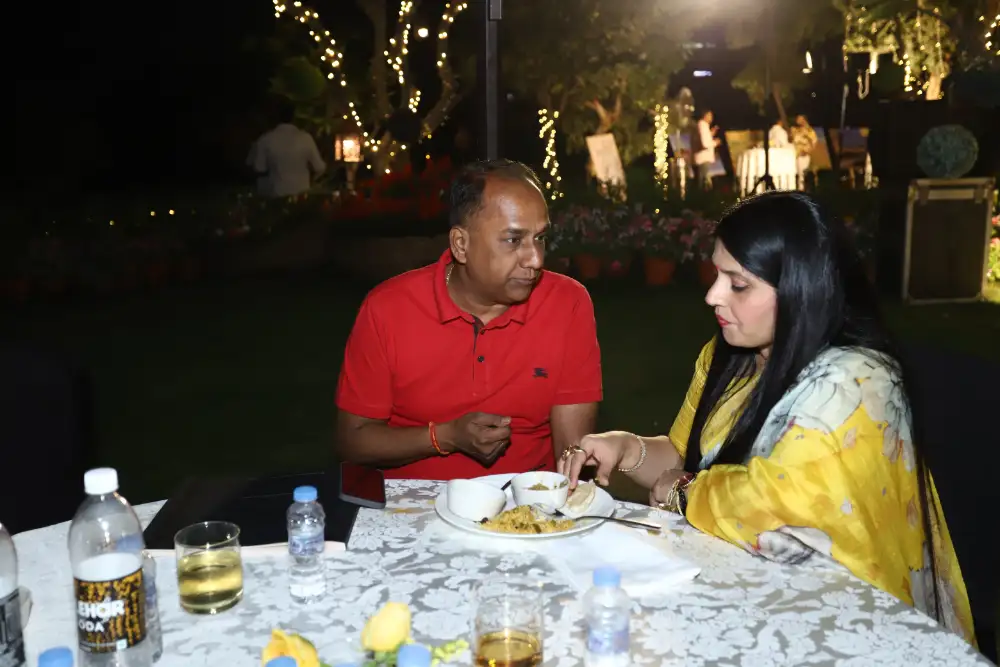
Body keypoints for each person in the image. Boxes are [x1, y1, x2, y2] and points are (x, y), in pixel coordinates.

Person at [560, 191, 974, 643]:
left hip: (846, 617)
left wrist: (686, 491)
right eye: (717, 275)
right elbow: (684, 455)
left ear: (800, 290)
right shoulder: (729, 356)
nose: (712, 295)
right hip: (742, 590)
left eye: (738, 284)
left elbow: (776, 506)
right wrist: (626, 448)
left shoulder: (856, 382)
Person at [336, 159, 603, 480]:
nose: (535, 259)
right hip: (413, 501)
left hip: (526, 501)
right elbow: (352, 441)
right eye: (513, 240)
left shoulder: (567, 303)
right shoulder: (388, 308)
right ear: (461, 244)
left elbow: (572, 455)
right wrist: (445, 437)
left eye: (540, 238)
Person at [247, 100, 326, 197]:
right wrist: (310, 180)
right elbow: (320, 167)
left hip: (276, 195)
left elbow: (259, 168)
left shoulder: (265, 139)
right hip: (301, 195)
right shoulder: (305, 138)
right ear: (293, 117)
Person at [692, 110, 720, 190]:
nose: (711, 118)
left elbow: (704, 139)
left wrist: (711, 133)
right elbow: (705, 144)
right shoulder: (703, 125)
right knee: (706, 185)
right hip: (704, 159)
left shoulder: (703, 126)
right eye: (710, 115)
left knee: (703, 182)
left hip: (702, 159)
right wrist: (716, 142)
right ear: (705, 115)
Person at [790, 114, 819, 190]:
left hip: (803, 155)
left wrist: (807, 151)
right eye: (797, 119)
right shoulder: (794, 129)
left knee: (802, 175)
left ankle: (802, 191)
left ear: (804, 120)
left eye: (800, 119)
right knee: (795, 174)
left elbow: (814, 142)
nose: (797, 120)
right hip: (794, 155)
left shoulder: (809, 130)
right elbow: (791, 140)